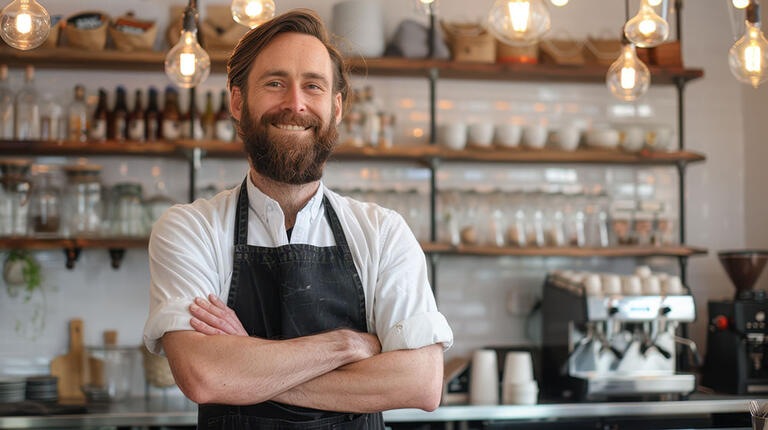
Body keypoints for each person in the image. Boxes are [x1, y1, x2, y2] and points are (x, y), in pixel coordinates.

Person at [143, 8, 453, 429]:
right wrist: (347, 345)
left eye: (313, 86)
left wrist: (247, 364)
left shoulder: (382, 233)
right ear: (237, 101)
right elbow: (204, 375)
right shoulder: (190, 229)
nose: (295, 103)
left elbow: (420, 382)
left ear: (336, 107)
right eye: (275, 83)